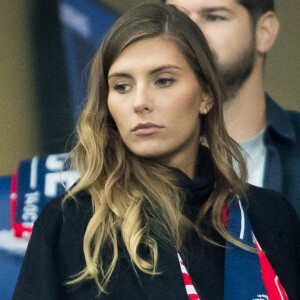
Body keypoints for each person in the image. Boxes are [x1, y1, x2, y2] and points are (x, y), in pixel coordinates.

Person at [13, 4, 299, 300]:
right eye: (122, 86)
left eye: (163, 81)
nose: (140, 102)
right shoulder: (70, 224)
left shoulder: (269, 216)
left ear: (206, 95)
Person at [163, 0, 300, 217]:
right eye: (178, 17)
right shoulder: (125, 157)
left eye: (214, 16)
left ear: (264, 32)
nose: (190, 35)